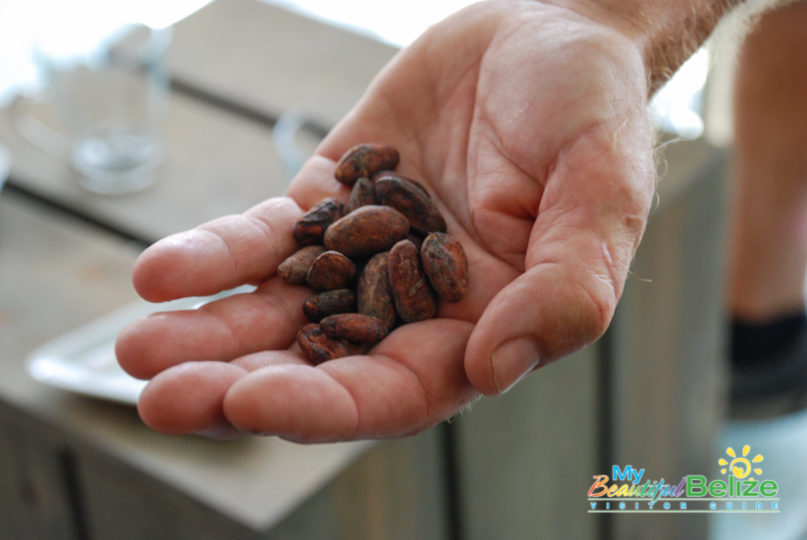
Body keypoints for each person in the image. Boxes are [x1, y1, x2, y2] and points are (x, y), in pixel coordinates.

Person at [115, 0, 794, 441]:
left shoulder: (389, 230)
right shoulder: (369, 238)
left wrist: (598, 19)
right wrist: (597, 14)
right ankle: (761, 338)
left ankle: (762, 328)